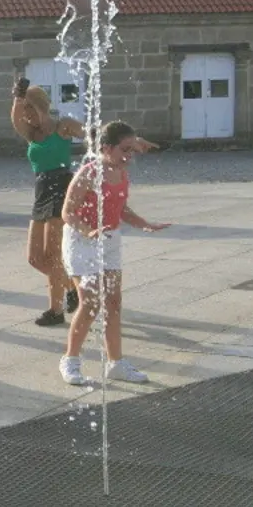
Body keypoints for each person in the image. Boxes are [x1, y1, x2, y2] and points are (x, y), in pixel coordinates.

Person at [59, 121, 170, 386]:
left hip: (109, 240)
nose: (130, 156)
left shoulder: (120, 171)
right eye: (125, 150)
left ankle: (115, 364)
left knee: (113, 303)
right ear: (106, 148)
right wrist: (88, 232)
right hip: (81, 240)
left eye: (132, 150)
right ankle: (70, 360)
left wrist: (144, 223)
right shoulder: (88, 174)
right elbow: (67, 213)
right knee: (90, 302)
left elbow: (120, 208)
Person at [10, 79, 87, 327]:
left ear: (43, 107)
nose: (28, 116)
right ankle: (74, 288)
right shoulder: (32, 133)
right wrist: (18, 98)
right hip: (42, 190)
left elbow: (92, 133)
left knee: (53, 254)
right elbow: (15, 119)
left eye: (32, 109)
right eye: (26, 111)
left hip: (62, 186)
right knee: (35, 258)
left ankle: (55, 310)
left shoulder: (62, 127)